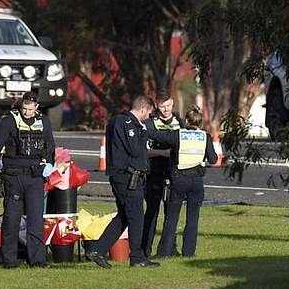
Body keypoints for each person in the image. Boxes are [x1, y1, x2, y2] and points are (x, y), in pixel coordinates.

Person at [86, 95, 161, 269]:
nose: (148, 118)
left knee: (124, 217)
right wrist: (144, 132)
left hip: (125, 177)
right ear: (143, 109)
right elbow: (134, 150)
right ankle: (137, 257)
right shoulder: (128, 123)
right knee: (136, 217)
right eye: (148, 114)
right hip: (127, 178)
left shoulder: (120, 121)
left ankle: (97, 249)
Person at [0, 91, 56, 268]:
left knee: (36, 220)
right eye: (24, 108)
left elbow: (50, 147)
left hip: (35, 178)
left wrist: (49, 165)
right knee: (11, 219)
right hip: (13, 177)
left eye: (30, 109)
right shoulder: (9, 120)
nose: (27, 112)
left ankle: (37, 260)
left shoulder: (43, 121)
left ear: (36, 107)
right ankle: (9, 260)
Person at [155, 107, 217, 257]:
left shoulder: (178, 135)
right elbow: (213, 159)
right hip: (196, 181)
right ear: (200, 122)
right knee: (193, 218)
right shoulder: (205, 136)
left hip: (179, 180)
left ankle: (165, 251)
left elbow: (158, 136)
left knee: (172, 217)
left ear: (186, 121)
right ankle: (189, 252)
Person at [142, 93, 183, 257]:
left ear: (173, 103)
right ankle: (144, 249)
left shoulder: (179, 122)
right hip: (154, 171)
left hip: (174, 172)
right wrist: (163, 152)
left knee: (171, 212)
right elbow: (143, 150)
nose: (166, 110)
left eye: (168, 105)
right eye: (162, 106)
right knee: (152, 211)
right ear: (157, 106)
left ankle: (170, 248)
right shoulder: (150, 123)